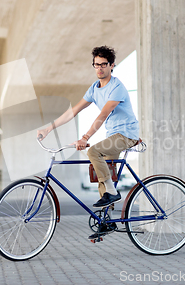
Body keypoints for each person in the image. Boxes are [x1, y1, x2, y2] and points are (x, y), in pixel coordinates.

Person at [37, 46, 139, 236]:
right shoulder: (94, 88)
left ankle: (112, 194)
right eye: (96, 65)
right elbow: (73, 111)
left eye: (103, 64)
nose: (99, 68)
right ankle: (107, 221)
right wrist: (49, 128)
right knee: (102, 172)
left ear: (112, 65)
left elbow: (103, 114)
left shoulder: (117, 87)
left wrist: (85, 138)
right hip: (112, 136)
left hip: (126, 135)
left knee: (93, 152)